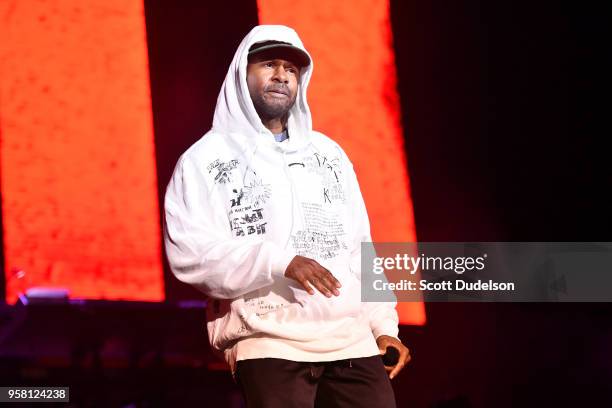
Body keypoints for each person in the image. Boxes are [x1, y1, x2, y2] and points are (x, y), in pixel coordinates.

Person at [164, 25, 411, 407]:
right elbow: (190, 255)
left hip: (350, 340)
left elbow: (360, 247)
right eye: (269, 65)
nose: (281, 75)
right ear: (241, 74)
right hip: (268, 340)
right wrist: (281, 262)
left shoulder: (328, 155)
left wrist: (383, 325)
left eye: (292, 69)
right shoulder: (205, 160)